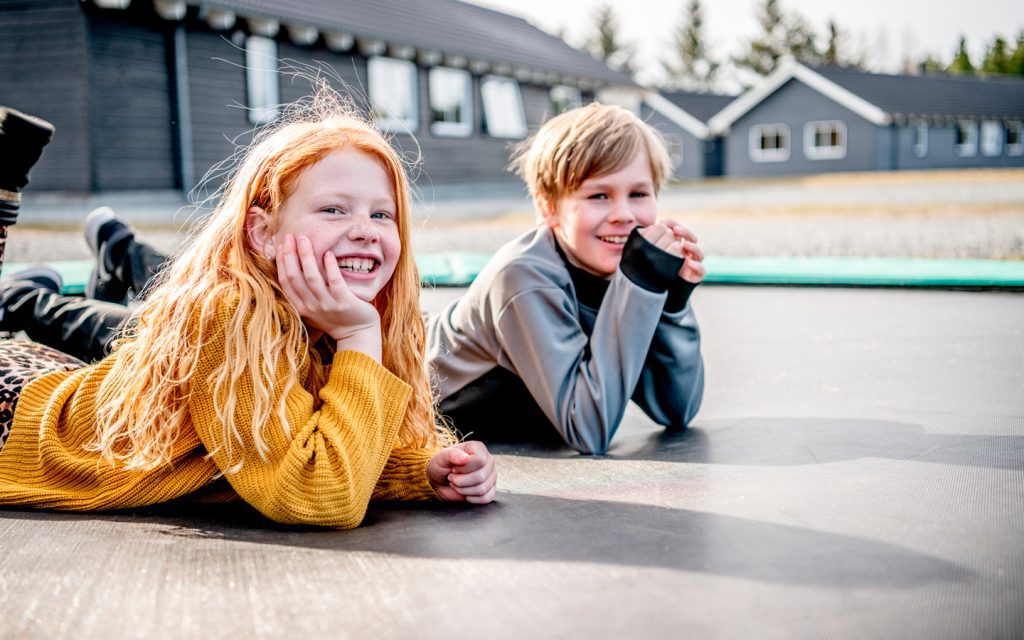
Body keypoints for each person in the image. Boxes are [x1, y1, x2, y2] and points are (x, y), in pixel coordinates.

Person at [0, 97, 497, 527]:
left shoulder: (363, 315)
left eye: (381, 214)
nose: (366, 229)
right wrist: (358, 338)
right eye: (334, 210)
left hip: (60, 381)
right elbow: (316, 492)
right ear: (263, 233)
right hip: (16, 423)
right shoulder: (228, 313)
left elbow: (314, 443)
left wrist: (421, 469)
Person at [426, 103, 706, 455]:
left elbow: (677, 410)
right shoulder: (522, 277)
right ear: (548, 208)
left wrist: (672, 303)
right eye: (598, 196)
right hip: (416, 388)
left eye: (638, 194)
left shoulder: (622, 271)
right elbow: (587, 430)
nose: (624, 215)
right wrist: (640, 284)